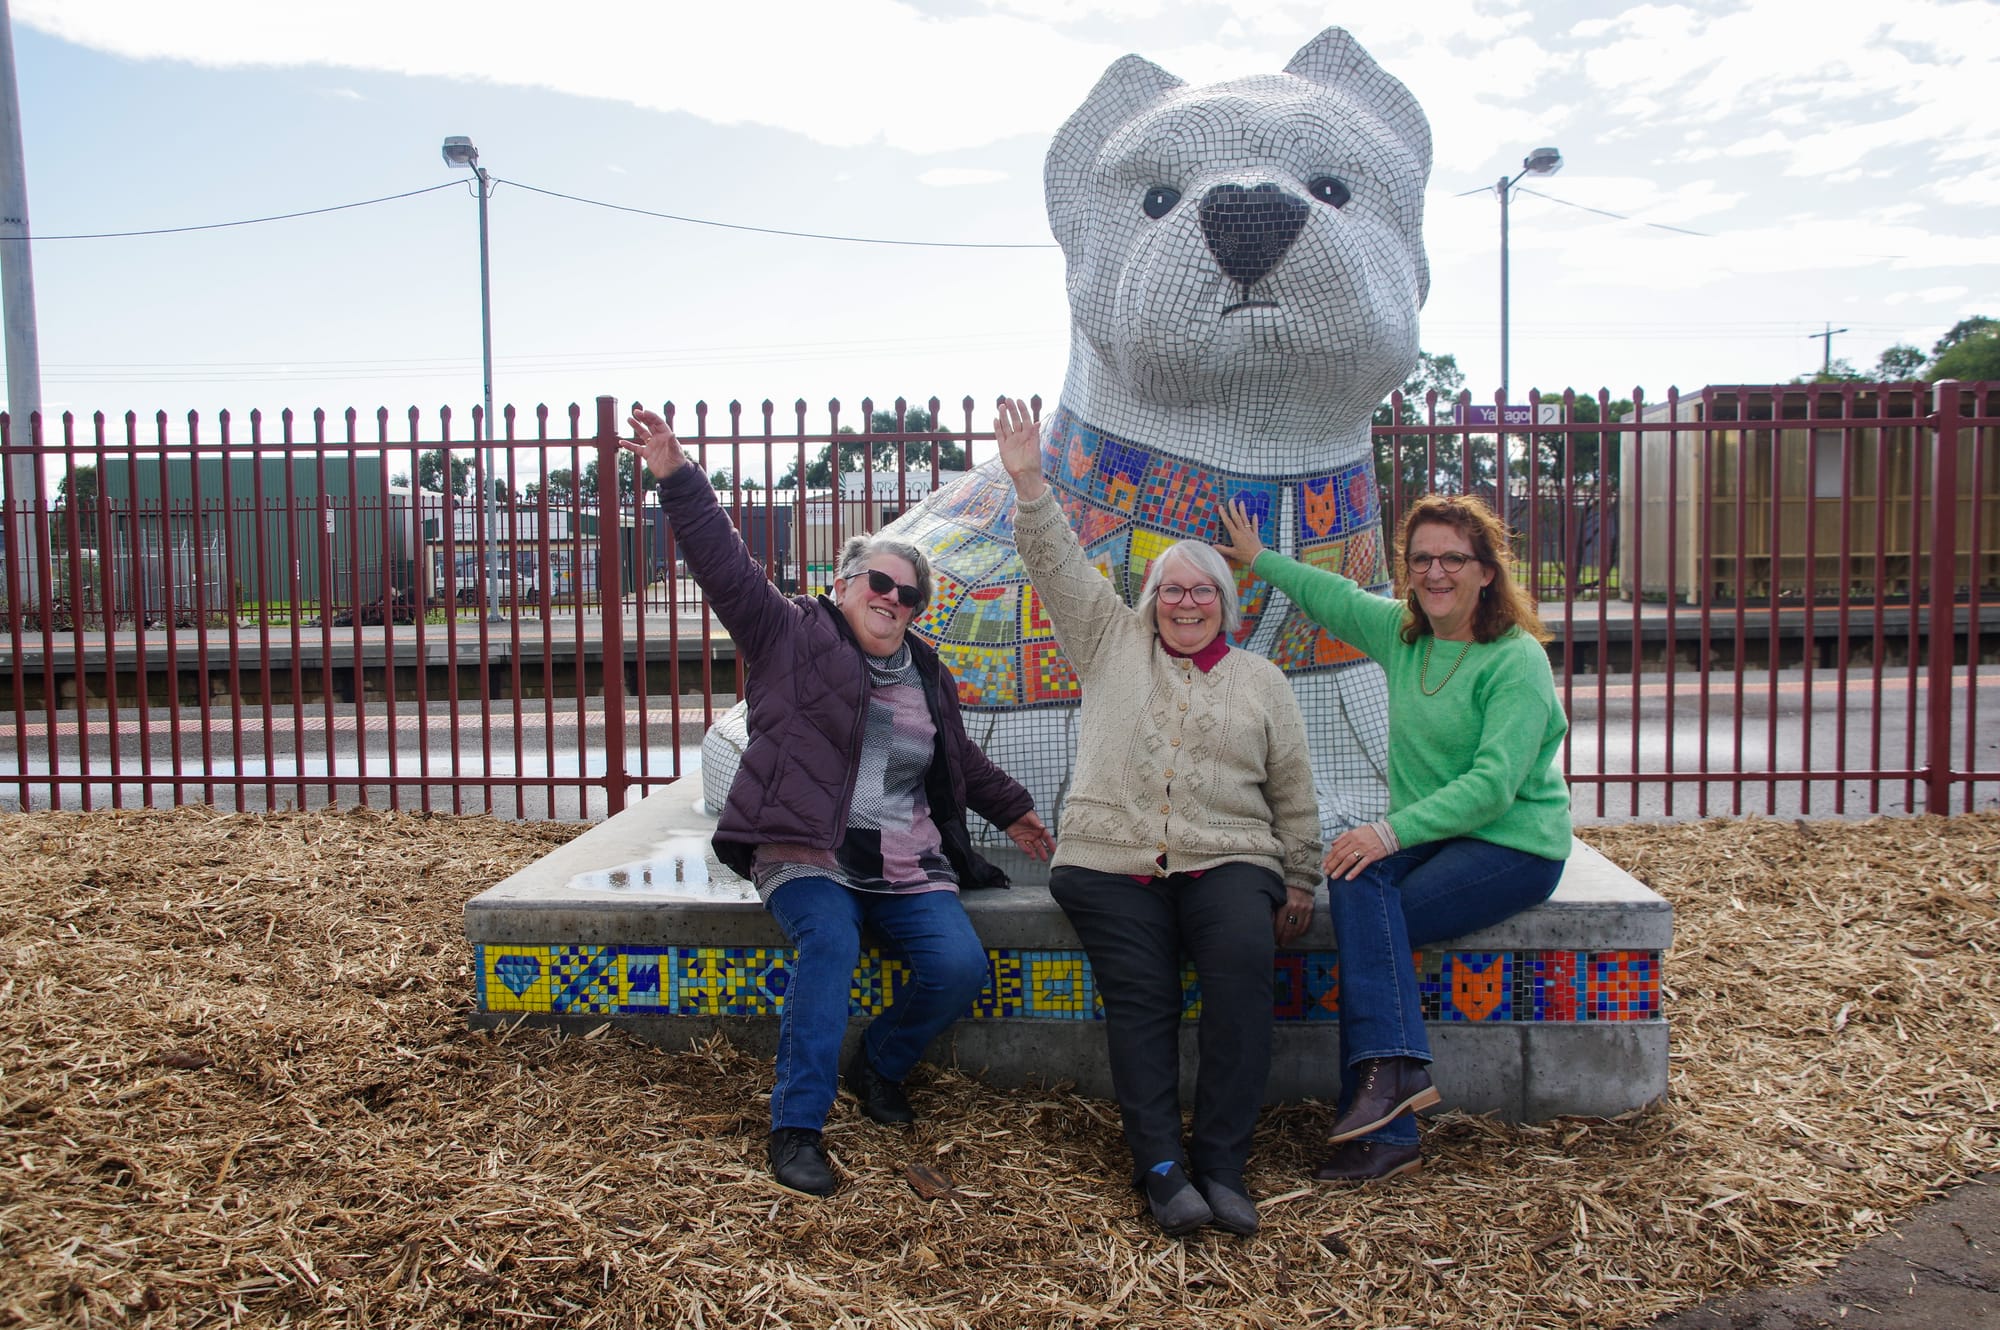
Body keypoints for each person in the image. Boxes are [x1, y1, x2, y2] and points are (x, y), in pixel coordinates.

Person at [627, 408, 1054, 1198]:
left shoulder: (927, 672)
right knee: (829, 948)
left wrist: (1019, 813)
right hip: (806, 852)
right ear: (844, 586)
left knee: (959, 968)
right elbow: (722, 564)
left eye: (910, 594)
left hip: (903, 862)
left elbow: (958, 761)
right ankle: (796, 1128)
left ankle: (880, 1066)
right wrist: (677, 476)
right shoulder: (789, 636)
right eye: (881, 583)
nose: (895, 599)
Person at [992, 397, 1321, 1237]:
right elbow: (1059, 565)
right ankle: (1163, 1170)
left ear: (1225, 601)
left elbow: (1292, 789)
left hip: (1229, 859)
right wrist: (1030, 483)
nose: (1184, 602)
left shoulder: (1261, 682)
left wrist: (1302, 876)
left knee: (1241, 983)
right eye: (1170, 589)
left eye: (1201, 589)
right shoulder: (1109, 641)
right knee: (1141, 1003)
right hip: (1110, 862)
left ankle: (1222, 1163)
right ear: (1150, 599)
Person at [1214, 491, 1571, 1183]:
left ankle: (1384, 1113)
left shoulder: (1514, 660)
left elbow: (1494, 786)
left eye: (1454, 560)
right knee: (1353, 881)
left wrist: (1388, 828)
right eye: (1422, 560)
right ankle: (1391, 1092)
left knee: (1374, 924)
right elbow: (1335, 598)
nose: (1436, 573)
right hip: (1439, 836)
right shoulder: (1405, 638)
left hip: (1514, 845)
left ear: (1487, 572)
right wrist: (1258, 559)